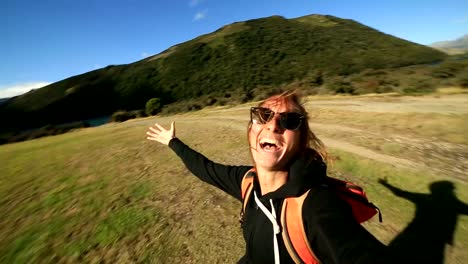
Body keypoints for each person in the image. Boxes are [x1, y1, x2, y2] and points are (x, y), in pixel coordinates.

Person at [146, 90, 390, 264]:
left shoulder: (315, 206)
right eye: (263, 115)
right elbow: (205, 168)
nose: (273, 126)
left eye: (290, 120)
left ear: (301, 142)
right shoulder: (248, 181)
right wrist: (172, 141)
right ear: (251, 130)